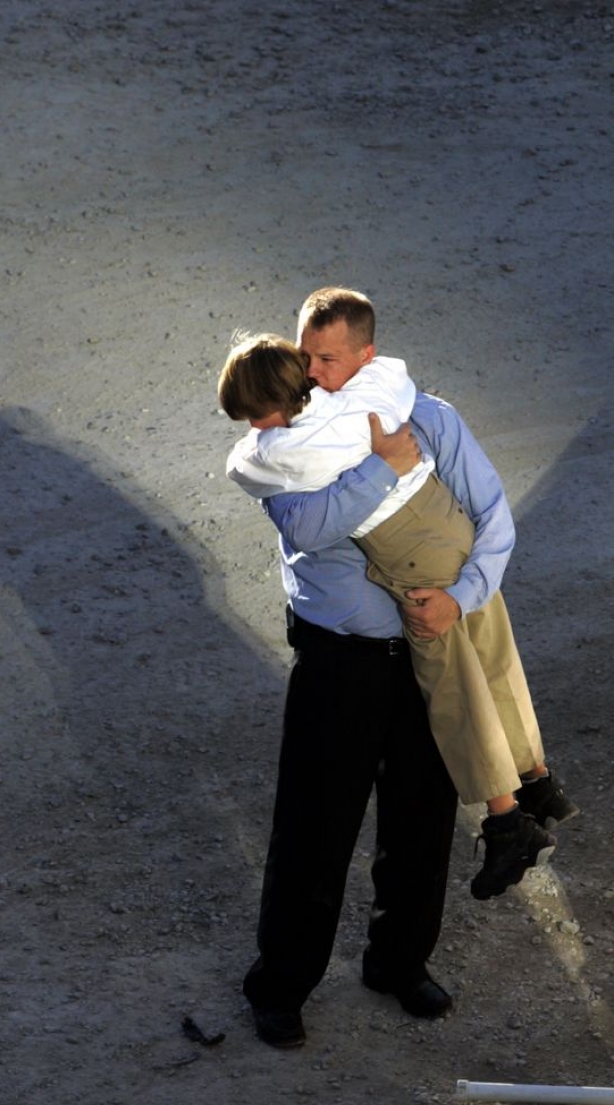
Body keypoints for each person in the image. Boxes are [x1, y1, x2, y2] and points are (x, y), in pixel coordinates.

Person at [224, 287, 576, 1049]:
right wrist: (386, 469)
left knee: (418, 825)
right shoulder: (288, 448)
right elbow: (309, 523)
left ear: (365, 357)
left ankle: (397, 964)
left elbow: (493, 520)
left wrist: (459, 599)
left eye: (325, 358)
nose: (312, 374)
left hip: (426, 651)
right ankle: (280, 984)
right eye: (304, 357)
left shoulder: (431, 418)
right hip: (336, 663)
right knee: (312, 830)